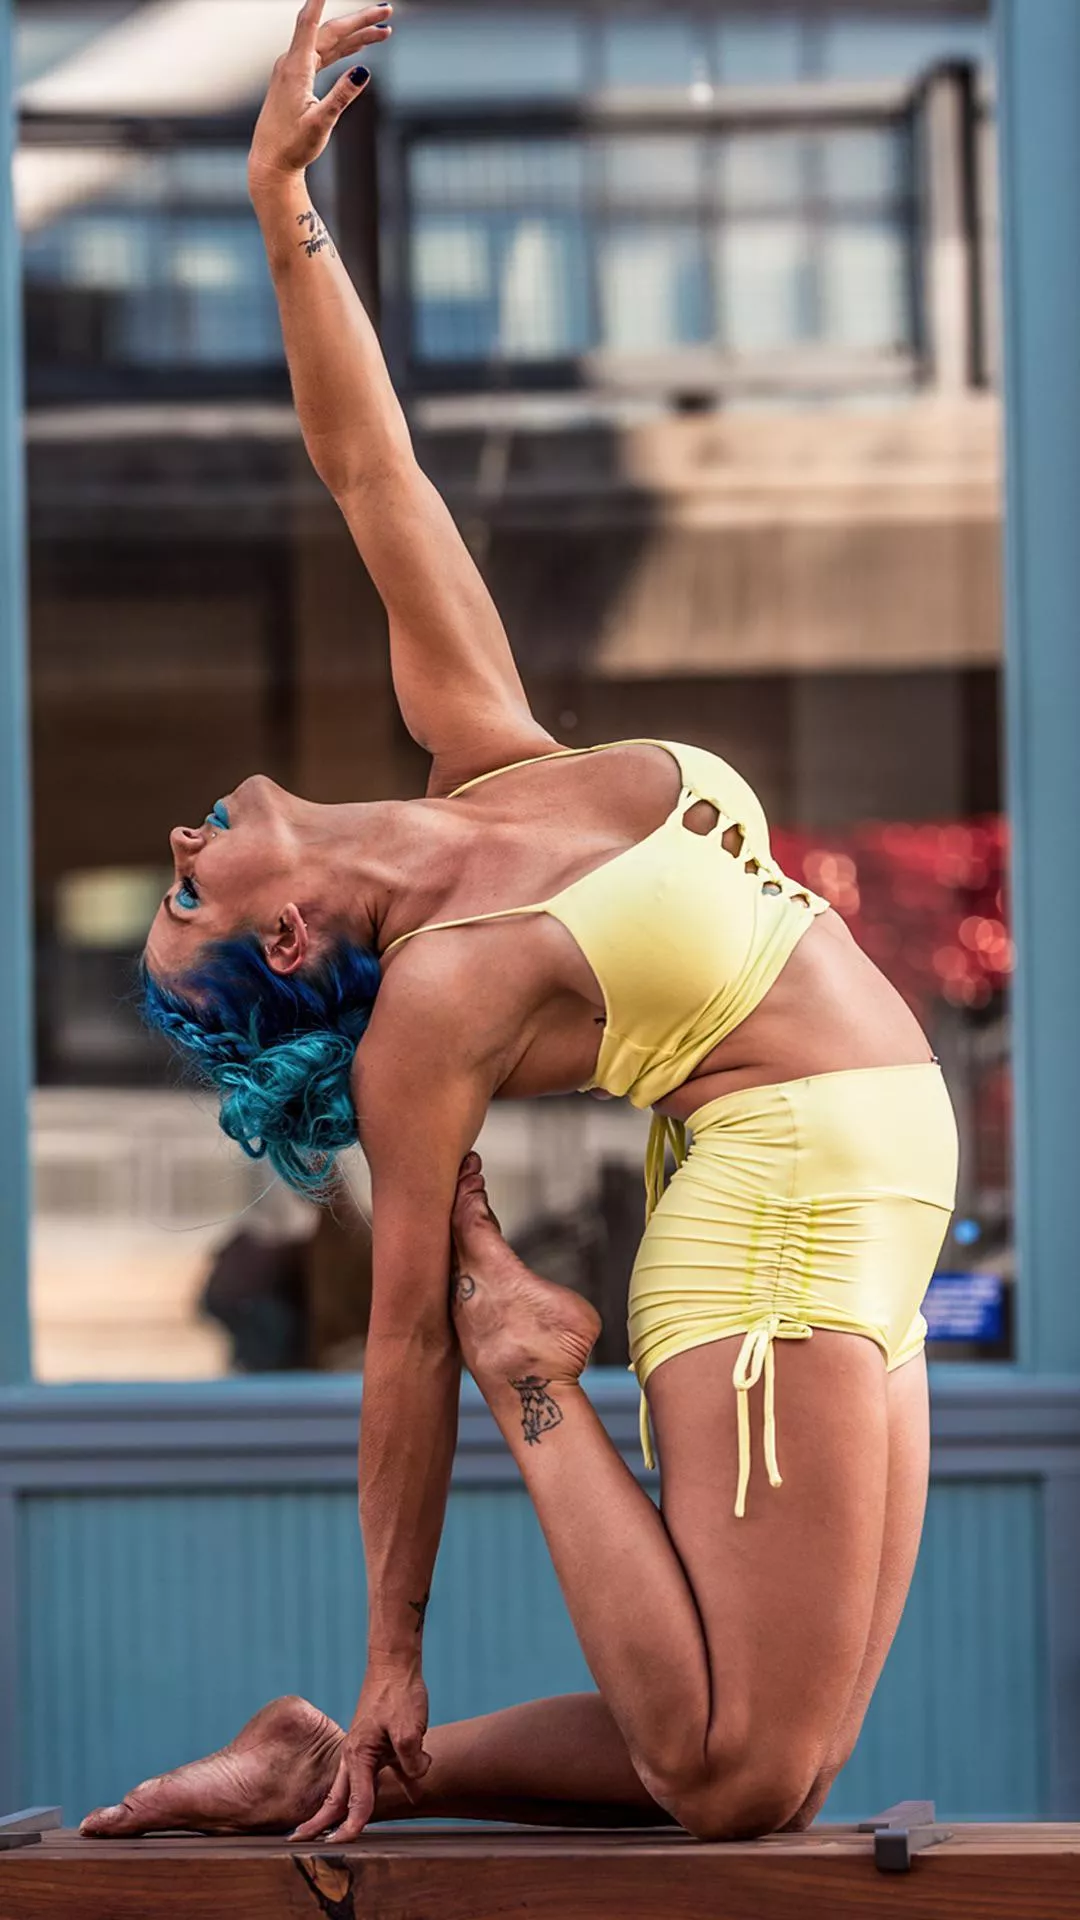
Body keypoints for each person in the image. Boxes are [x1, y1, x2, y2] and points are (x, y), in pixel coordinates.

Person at [82, 1, 958, 1847]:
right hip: (777, 1212)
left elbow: (369, 467)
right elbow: (396, 1349)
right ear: (296, 949)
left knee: (779, 1762)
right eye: (186, 892)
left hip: (865, 1209)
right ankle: (542, 1375)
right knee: (730, 1779)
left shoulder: (484, 761)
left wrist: (278, 212)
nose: (180, 835)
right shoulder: (432, 1012)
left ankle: (313, 1757)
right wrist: (396, 1636)